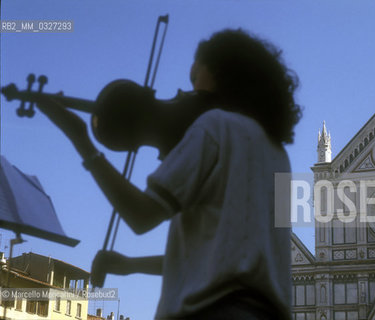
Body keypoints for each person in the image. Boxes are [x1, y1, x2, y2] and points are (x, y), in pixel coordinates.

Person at [36, 28, 301, 320]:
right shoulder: (279, 157)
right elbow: (217, 259)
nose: (188, 91)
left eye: (194, 77)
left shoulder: (214, 127)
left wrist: (82, 141)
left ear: (222, 74)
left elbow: (141, 215)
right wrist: (130, 264)